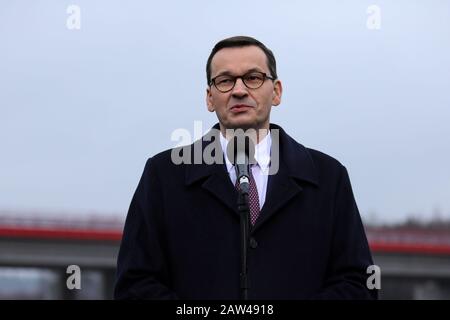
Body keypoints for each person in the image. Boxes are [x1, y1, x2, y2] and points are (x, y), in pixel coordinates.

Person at [114, 36, 377, 300]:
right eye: (225, 80)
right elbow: (135, 285)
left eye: (253, 78)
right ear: (209, 98)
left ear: (276, 92)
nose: (239, 90)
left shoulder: (328, 177)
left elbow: (358, 284)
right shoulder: (163, 175)